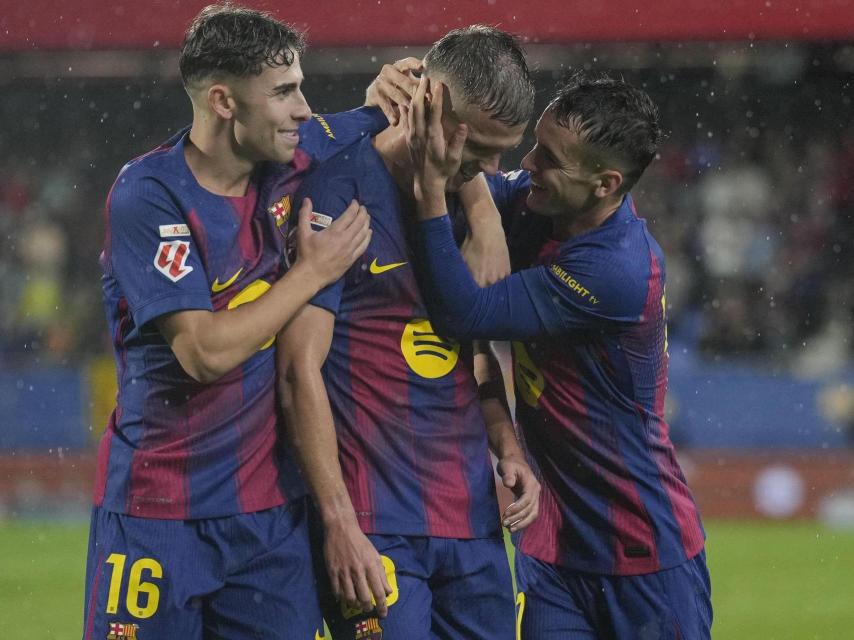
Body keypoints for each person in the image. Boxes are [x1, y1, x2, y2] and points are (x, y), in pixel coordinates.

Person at [82, 4, 419, 640]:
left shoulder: (293, 155)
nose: (301, 109)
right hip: (159, 511)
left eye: (301, 87)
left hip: (270, 521)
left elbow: (412, 112)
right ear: (223, 102)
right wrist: (310, 275)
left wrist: (392, 93)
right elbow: (202, 353)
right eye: (284, 91)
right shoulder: (149, 196)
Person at [408, 72, 711, 639]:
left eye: (550, 158)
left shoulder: (616, 269)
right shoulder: (539, 204)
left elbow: (464, 314)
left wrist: (437, 200)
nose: (528, 164)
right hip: (553, 547)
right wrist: (417, 89)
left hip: (643, 549)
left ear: (606, 183)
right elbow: (464, 180)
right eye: (537, 144)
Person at [277, 26, 540, 640]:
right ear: (426, 105)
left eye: (502, 154)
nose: (491, 171)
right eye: (479, 154)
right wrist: (339, 523)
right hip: (376, 525)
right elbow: (297, 371)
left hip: (470, 522)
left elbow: (471, 349)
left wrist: (506, 443)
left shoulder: (470, 204)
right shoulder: (338, 191)